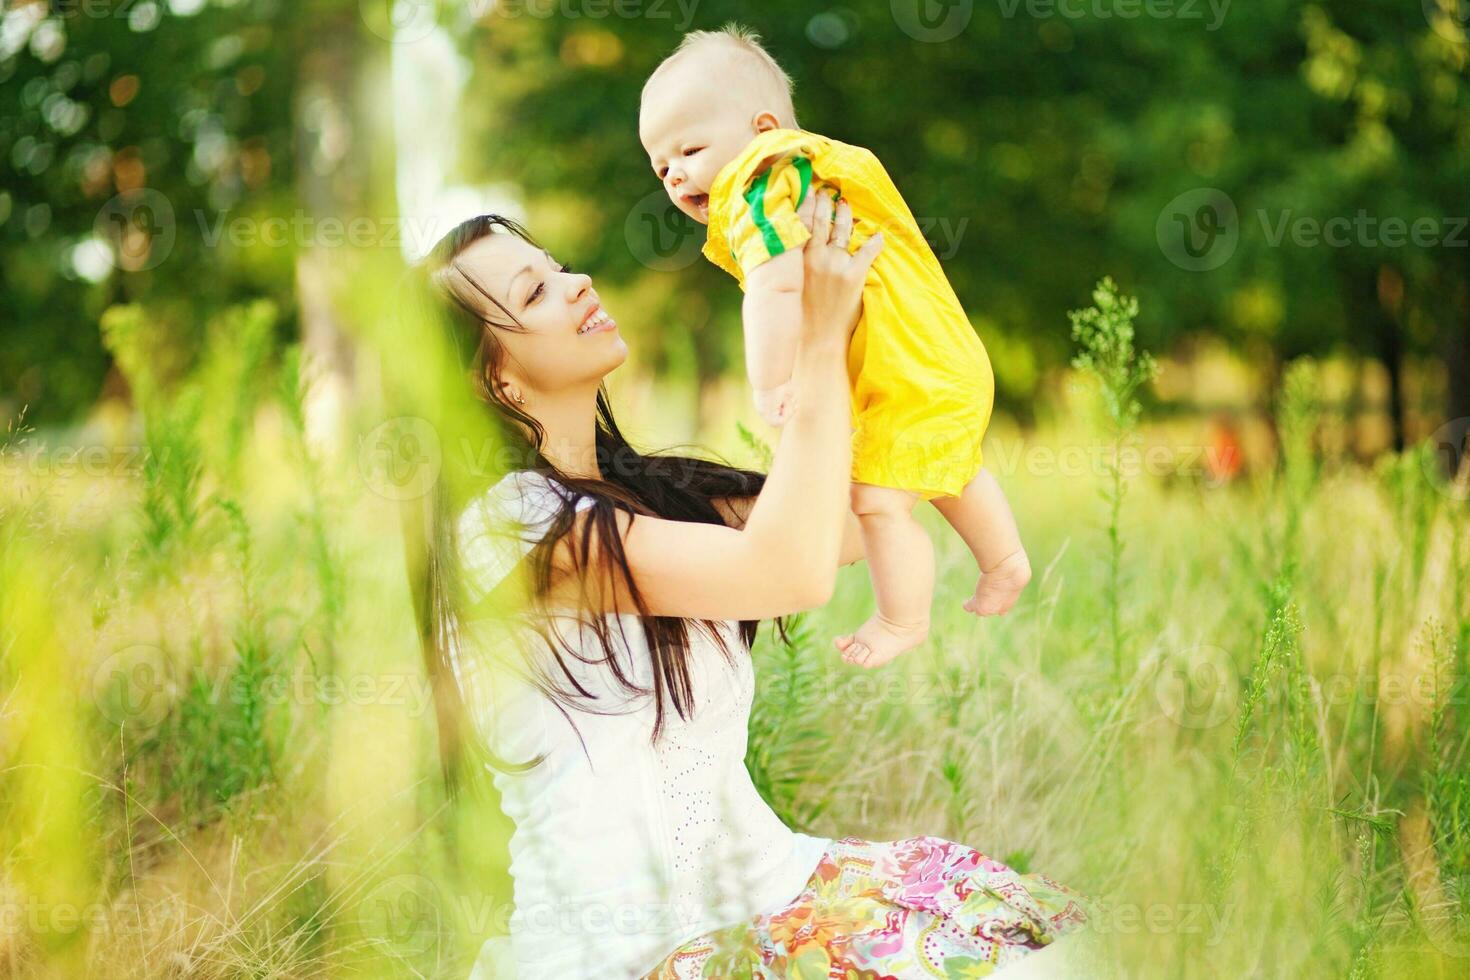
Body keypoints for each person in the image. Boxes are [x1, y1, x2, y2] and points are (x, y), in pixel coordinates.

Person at [412, 193, 1089, 979]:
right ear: (491, 384)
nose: (580, 282)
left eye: (557, 269)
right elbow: (787, 572)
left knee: (1049, 947)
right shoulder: (512, 530)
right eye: (534, 293)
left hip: (775, 888)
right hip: (631, 952)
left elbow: (843, 526)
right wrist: (819, 348)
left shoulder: (649, 493)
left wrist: (852, 317)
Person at [639, 25, 1033, 671]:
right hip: (936, 360)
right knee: (950, 467)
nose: (676, 173)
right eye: (661, 165)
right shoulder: (816, 173)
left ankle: (899, 618)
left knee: (876, 501)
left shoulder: (757, 182)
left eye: (689, 148)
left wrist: (767, 384)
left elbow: (773, 287)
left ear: (762, 129)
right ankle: (1005, 560)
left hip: (907, 369)